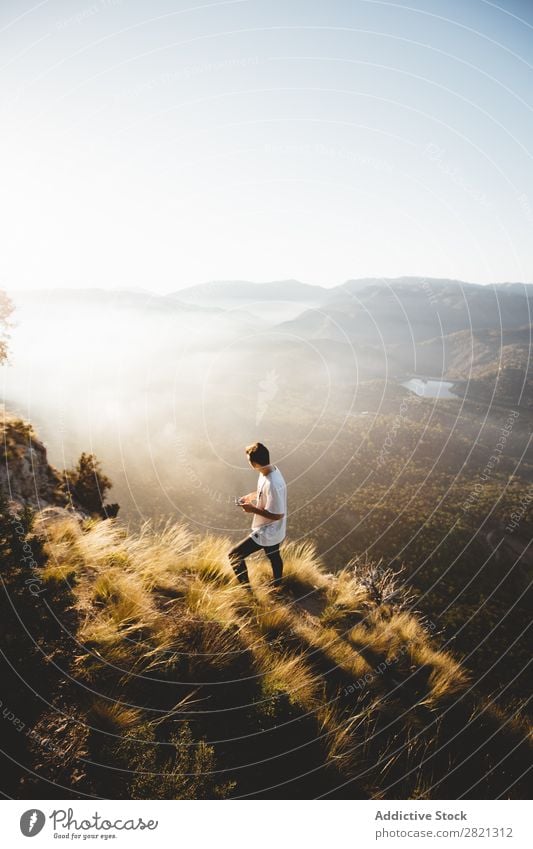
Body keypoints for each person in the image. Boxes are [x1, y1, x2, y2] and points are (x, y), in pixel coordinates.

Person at [229, 442, 287, 587]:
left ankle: (247, 592)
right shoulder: (269, 470)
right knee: (273, 555)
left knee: (234, 555)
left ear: (254, 463)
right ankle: (278, 586)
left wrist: (252, 509)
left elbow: (278, 515)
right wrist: (252, 496)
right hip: (274, 529)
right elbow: (266, 492)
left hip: (268, 530)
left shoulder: (273, 483)